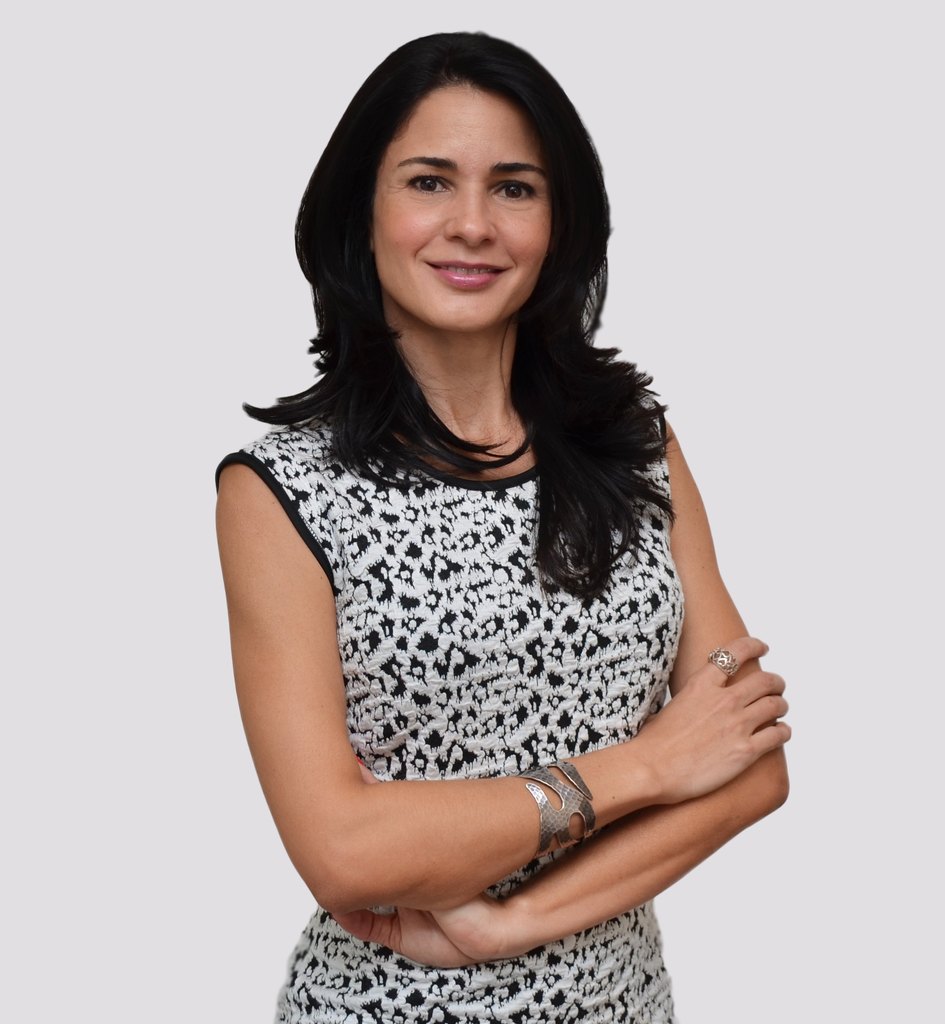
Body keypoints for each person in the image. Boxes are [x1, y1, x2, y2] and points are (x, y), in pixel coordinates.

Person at [215, 30, 790, 1023]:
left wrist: (510, 924)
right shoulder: (282, 491)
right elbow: (342, 850)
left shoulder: (636, 444)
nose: (473, 224)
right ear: (361, 212)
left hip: (625, 1003)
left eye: (515, 188)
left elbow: (751, 765)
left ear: (560, 225)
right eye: (429, 182)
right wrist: (647, 765)